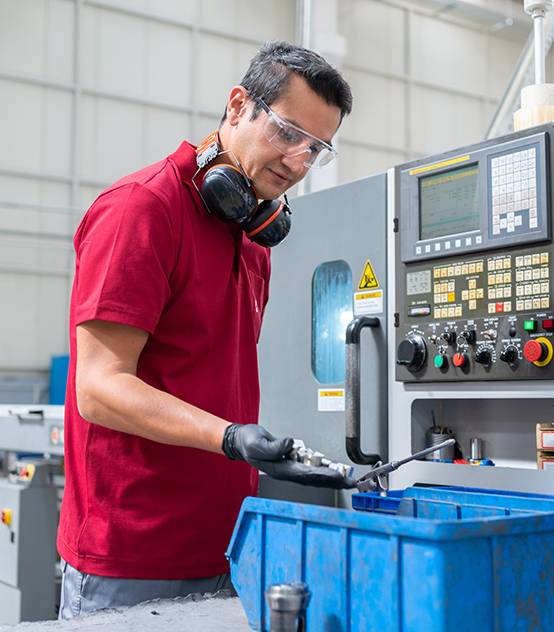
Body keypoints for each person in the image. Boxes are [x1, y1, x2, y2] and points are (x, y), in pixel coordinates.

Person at [57, 41, 353, 619]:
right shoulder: (141, 211)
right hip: (132, 557)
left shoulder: (251, 239)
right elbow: (98, 387)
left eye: (315, 149)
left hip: (224, 548)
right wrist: (231, 437)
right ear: (239, 105)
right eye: (287, 132)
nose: (297, 161)